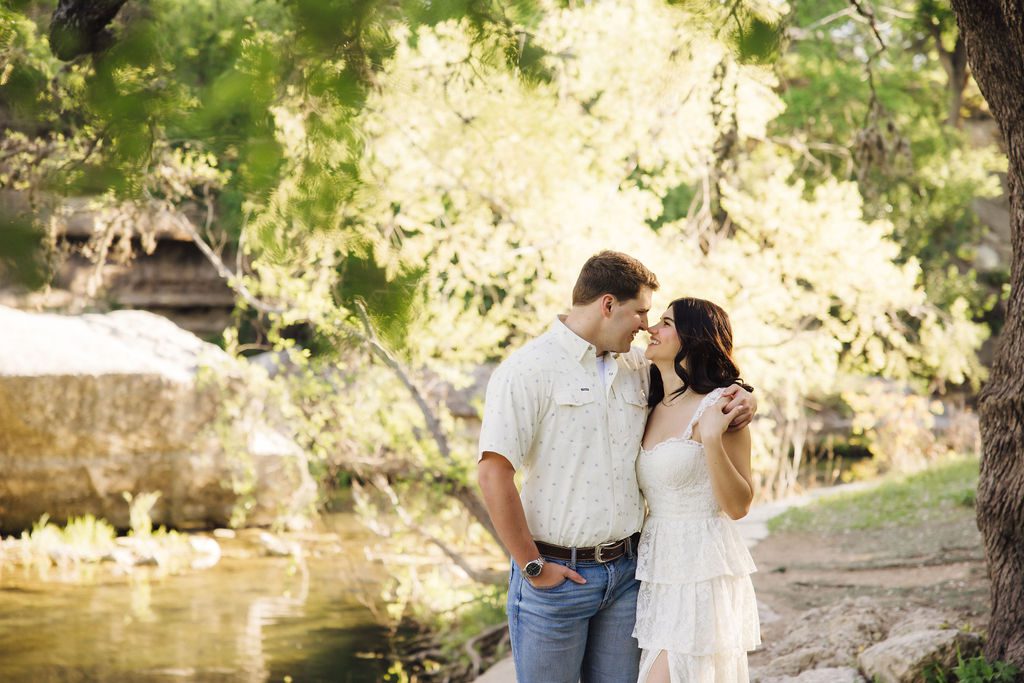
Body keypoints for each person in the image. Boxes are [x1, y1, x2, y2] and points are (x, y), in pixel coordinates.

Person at [476, 251, 757, 683]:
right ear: (608, 305)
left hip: (630, 575)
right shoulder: (528, 371)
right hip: (557, 579)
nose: (646, 325)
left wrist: (744, 398)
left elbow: (700, 389)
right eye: (642, 312)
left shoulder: (637, 369)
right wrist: (532, 566)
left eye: (656, 318)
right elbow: (493, 473)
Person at [633, 297, 761, 682]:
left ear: (693, 338)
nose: (651, 329)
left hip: (702, 564)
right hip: (657, 566)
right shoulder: (647, 399)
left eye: (666, 323)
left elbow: (739, 506)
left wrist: (711, 439)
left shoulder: (723, 405)